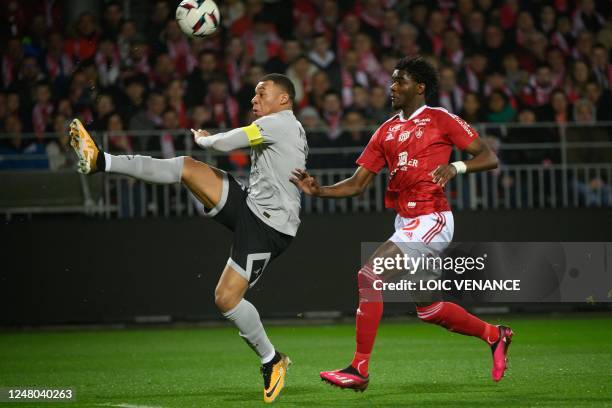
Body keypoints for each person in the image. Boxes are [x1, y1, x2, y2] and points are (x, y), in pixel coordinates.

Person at [69, 73, 308, 403]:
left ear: (284, 99)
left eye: (261, 94)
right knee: (187, 168)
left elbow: (227, 143)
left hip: (270, 227)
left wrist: (208, 140)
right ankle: (101, 160)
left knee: (226, 299)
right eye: (254, 94)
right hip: (252, 206)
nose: (254, 100)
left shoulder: (281, 122)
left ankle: (272, 359)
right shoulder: (281, 125)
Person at [290, 56, 513, 391]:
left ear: (419, 87)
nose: (392, 87)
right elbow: (356, 183)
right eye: (392, 81)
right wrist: (319, 190)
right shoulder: (386, 130)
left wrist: (456, 168)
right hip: (406, 222)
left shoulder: (441, 119)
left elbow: (488, 156)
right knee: (429, 307)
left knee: (370, 276)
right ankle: (496, 336)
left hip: (432, 217)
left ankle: (359, 368)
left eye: (400, 81)